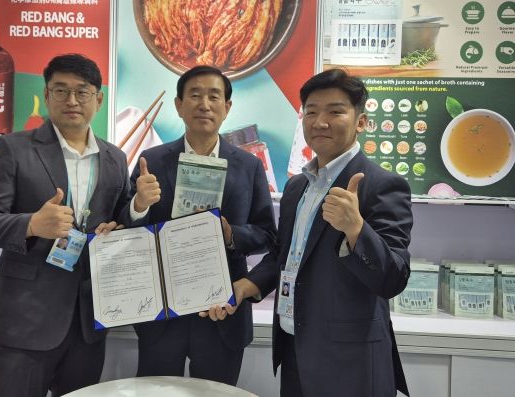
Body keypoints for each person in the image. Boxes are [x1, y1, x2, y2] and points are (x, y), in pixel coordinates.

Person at [214, 68, 412, 396]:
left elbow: (394, 278)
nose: (320, 122)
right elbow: (285, 255)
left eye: (335, 111)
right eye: (311, 112)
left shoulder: (382, 185)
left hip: (350, 360)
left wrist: (356, 229)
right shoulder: (297, 187)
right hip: (294, 346)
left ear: (361, 122)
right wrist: (246, 286)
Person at [0, 54, 130, 397]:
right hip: (25, 318)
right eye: (61, 90)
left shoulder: (115, 158)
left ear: (98, 99)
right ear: (47, 94)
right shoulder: (13, 148)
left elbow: (120, 221)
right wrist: (32, 224)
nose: (72, 100)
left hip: (88, 322)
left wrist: (134, 214)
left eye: (82, 92)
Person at [126, 65, 277, 385]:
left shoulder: (249, 165)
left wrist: (231, 235)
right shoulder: (151, 161)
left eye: (214, 96)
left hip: (222, 310)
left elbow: (267, 235)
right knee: (155, 392)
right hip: (162, 312)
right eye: (195, 95)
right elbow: (124, 229)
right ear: (179, 105)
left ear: (227, 107)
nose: (204, 104)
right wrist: (139, 205)